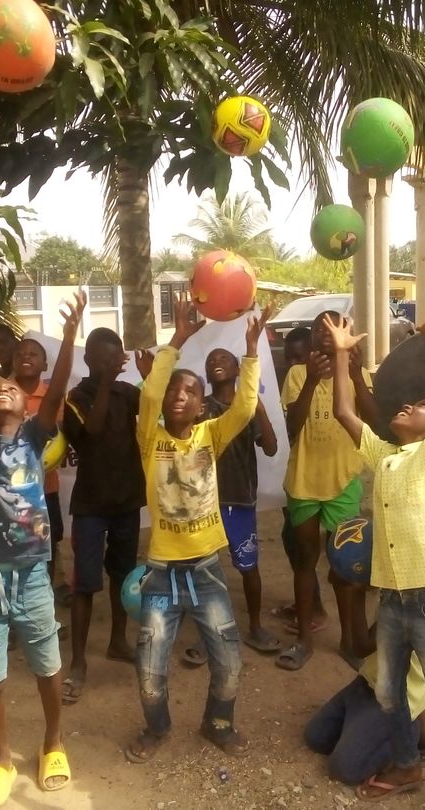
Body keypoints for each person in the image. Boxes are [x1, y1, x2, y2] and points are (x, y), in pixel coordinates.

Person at [323, 291, 425, 809]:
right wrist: (342, 355)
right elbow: (343, 410)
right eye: (409, 402)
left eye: (422, 406)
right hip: (392, 598)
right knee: (389, 692)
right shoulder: (385, 457)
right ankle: (407, 766)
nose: (410, 405)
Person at [0, 266, 85, 809]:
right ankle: (2, 758)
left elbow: (60, 387)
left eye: (11, 388)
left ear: (28, 403)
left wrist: (69, 337)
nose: (2, 387)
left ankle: (53, 743)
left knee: (47, 666)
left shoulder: (36, 436)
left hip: (31, 574)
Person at [125, 294, 271, 764]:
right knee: (150, 669)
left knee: (229, 661)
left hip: (206, 569)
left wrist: (252, 352)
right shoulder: (150, 438)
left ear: (201, 405)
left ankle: (218, 723)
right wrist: (179, 339)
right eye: (174, 390)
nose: (179, 396)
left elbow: (245, 408)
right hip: (161, 574)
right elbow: (149, 394)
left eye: (190, 392)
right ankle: (157, 727)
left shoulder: (212, 434)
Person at [277, 312, 378, 671]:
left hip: (343, 481)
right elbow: (292, 427)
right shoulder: (297, 373)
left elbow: (373, 422)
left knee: (346, 566)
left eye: (336, 327)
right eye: (320, 328)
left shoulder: (356, 373)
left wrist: (356, 376)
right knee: (305, 561)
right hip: (304, 481)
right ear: (313, 337)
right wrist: (310, 380)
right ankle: (304, 639)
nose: (328, 333)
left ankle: (350, 641)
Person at [60, 327, 146, 704]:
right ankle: (78, 661)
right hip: (91, 505)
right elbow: (91, 432)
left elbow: (155, 407)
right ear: (89, 360)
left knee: (123, 576)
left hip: (126, 499)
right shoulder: (76, 398)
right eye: (106, 358)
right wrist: (108, 383)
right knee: (85, 582)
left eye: (118, 357)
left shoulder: (128, 393)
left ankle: (118, 642)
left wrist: (153, 376)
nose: (114, 363)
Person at [182, 346, 280, 664]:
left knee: (248, 567)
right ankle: (205, 634)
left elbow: (271, 447)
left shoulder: (246, 407)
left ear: (238, 370)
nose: (216, 362)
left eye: (223, 358)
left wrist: (258, 407)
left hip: (239, 499)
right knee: (202, 569)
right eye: (211, 360)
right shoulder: (203, 408)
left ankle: (255, 626)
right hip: (204, 501)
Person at [304, 612, 425, 785]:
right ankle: (364, 730)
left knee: (344, 769)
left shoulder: (410, 605)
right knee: (316, 737)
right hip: (368, 683)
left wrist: (354, 597)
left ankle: (411, 731)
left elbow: (360, 648)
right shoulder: (393, 599)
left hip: (398, 699)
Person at [273, 327, 325, 625]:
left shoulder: (313, 381)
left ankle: (315, 609)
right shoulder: (290, 381)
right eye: (288, 358)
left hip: (317, 479)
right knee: (293, 539)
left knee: (306, 547)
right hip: (293, 475)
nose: (293, 364)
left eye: (299, 357)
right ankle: (308, 603)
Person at [13, 337, 68, 604]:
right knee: (15, 548)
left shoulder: (52, 397)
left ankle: (43, 601)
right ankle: (15, 605)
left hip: (46, 490)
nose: (26, 356)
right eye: (21, 353)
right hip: (11, 493)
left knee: (47, 546)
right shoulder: (0, 394)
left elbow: (59, 438)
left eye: (33, 354)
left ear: (45, 365)